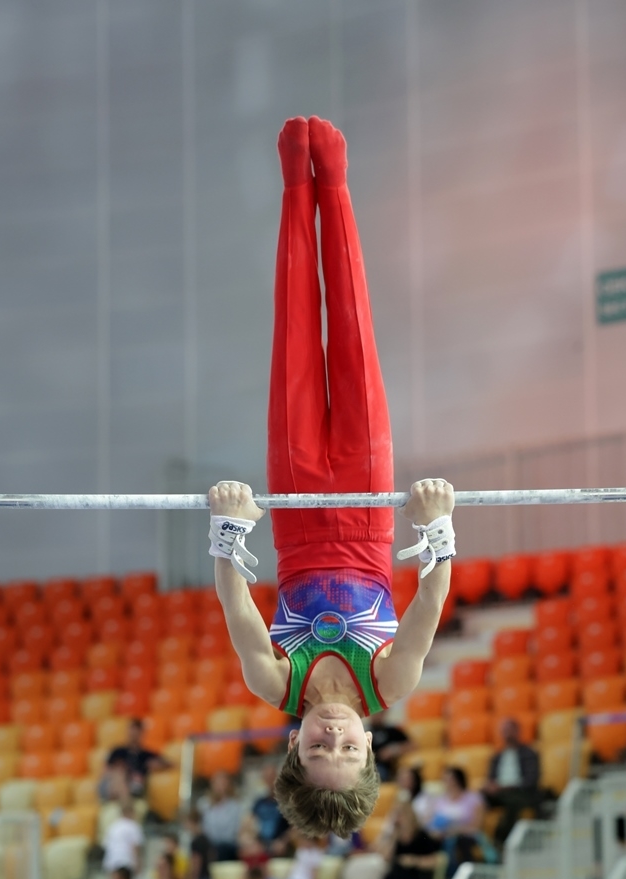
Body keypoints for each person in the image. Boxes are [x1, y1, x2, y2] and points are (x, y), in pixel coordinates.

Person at [208, 116, 456, 839]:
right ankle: (335, 183)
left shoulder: (275, 681)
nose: (334, 735)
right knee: (351, 329)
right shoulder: (389, 681)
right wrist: (436, 525)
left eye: (319, 749)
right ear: (371, 747)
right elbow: (432, 596)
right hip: (367, 507)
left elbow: (235, 602)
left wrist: (229, 529)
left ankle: (296, 182)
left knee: (293, 335)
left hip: (294, 512)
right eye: (348, 750)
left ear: (294, 744)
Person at [482, 718, 544, 847]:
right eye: (504, 731)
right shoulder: (497, 756)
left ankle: (501, 839)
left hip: (520, 793)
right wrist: (489, 786)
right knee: (476, 797)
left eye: (510, 730)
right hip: (499, 794)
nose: (507, 734)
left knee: (513, 801)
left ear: (517, 731)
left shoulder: (529, 753)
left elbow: (531, 780)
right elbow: (491, 778)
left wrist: (506, 787)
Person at [421, 766, 491, 875]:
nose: (447, 782)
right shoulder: (439, 800)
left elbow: (477, 826)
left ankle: (456, 875)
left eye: (450, 779)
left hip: (465, 836)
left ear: (459, 779)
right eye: (444, 779)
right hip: (442, 836)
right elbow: (429, 822)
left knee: (455, 842)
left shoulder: (474, 798)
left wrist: (456, 830)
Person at [381, 802, 442, 879]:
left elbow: (434, 861)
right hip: (400, 874)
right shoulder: (397, 837)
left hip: (418, 873)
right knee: (392, 874)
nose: (398, 819)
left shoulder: (421, 836)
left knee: (397, 873)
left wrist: (414, 861)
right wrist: (394, 836)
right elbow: (386, 857)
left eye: (400, 815)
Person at [102, 719, 168, 800]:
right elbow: (105, 771)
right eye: (131, 732)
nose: (133, 735)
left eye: (136, 733)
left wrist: (157, 765)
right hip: (113, 785)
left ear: (141, 734)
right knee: (119, 774)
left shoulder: (146, 755)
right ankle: (126, 801)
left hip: (135, 785)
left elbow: (169, 763)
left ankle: (126, 801)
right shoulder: (118, 751)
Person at [247, 763, 290, 854]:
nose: (270, 781)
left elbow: (296, 827)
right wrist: (252, 841)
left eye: (272, 777)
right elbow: (248, 824)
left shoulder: (286, 802)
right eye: (267, 778)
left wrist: (283, 841)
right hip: (261, 845)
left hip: (281, 844)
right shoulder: (259, 803)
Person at [201, 771, 243, 862]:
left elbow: (234, 830)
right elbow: (203, 827)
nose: (220, 787)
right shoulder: (204, 804)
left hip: (228, 845)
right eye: (217, 783)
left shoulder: (235, 806)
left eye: (223, 783)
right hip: (208, 844)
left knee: (221, 849)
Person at [102, 799, 144, 874]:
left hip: (111, 863)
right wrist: (138, 863)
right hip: (126, 863)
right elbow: (135, 847)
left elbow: (106, 846)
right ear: (130, 812)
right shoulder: (133, 826)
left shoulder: (112, 827)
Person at [369, 713, 414, 782]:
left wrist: (393, 750)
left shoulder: (391, 731)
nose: (376, 716)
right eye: (374, 713)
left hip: (387, 768)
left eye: (379, 713)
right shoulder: (366, 732)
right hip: (371, 766)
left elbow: (412, 745)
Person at [186, 808, 215, 879]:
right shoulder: (206, 838)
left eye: (187, 823)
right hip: (208, 877)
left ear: (192, 822)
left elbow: (196, 862)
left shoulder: (196, 841)